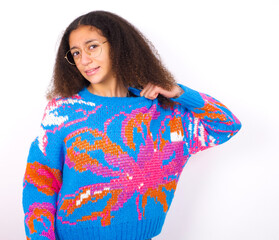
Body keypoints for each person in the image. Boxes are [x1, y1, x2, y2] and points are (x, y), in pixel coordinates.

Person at [22, 10, 241, 240]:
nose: (84, 60)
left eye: (92, 46)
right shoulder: (64, 111)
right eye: (75, 53)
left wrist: (180, 93)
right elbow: (40, 182)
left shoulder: (161, 111)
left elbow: (226, 126)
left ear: (118, 46)